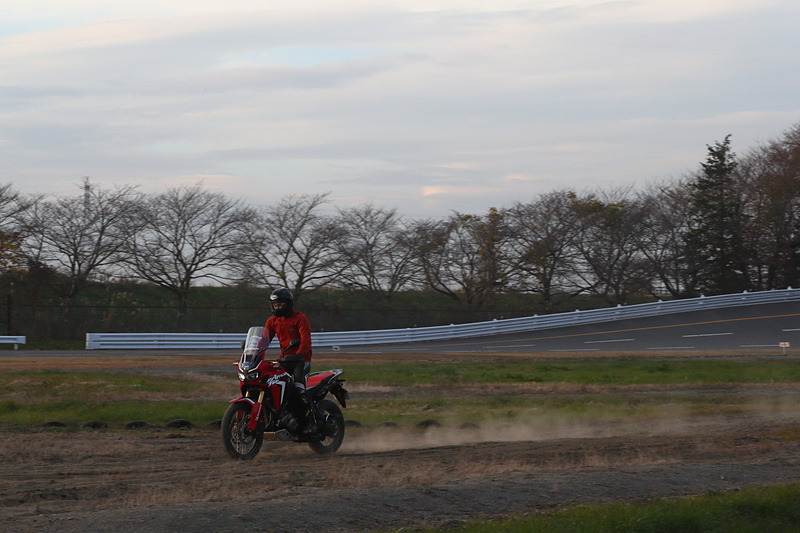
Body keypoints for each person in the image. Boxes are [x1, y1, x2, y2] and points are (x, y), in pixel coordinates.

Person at [261, 287, 315, 434]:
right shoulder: (272, 321)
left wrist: (300, 354)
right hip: (284, 360)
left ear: (288, 304)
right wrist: (253, 352)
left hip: (301, 360)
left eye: (280, 305)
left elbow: (305, 340)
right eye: (275, 305)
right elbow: (264, 340)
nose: (277, 308)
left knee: (298, 390)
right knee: (271, 385)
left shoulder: (300, 319)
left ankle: (308, 423)